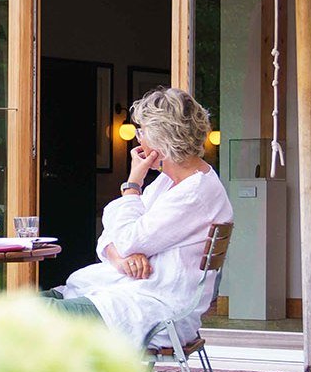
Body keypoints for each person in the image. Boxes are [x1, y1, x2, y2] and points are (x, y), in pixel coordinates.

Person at [49, 87, 233, 347]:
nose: (138, 140)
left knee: (31, 317)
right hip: (130, 294)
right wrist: (123, 257)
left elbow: (125, 235)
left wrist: (133, 183)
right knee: (33, 305)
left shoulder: (194, 194)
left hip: (153, 310)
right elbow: (111, 235)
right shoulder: (170, 182)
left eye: (142, 131)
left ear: (163, 139)